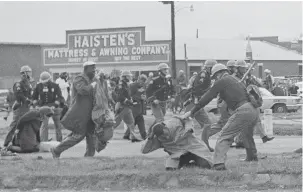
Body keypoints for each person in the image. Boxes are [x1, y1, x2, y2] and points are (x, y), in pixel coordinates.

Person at [182, 63, 259, 170]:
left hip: (243, 110)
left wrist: (192, 112)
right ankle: (252, 156)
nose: (215, 79)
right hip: (254, 110)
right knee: (247, 134)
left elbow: (206, 98)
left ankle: (218, 164)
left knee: (224, 136)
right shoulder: (235, 80)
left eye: (215, 76)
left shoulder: (221, 81)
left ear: (220, 73)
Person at [50, 61, 98, 158]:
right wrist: (92, 85)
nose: (94, 71)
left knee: (91, 134)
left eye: (94, 70)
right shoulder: (79, 78)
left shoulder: (92, 79)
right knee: (79, 135)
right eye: (92, 69)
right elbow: (82, 90)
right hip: (80, 113)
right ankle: (56, 150)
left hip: (90, 113)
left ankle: (89, 156)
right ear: (86, 69)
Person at [141, 116, 212, 170]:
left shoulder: (174, 122)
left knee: (206, 165)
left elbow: (187, 118)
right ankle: (189, 165)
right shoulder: (158, 138)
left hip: (193, 148)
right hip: (178, 155)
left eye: (165, 134)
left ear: (165, 127)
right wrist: (150, 138)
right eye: (162, 136)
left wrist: (189, 128)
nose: (165, 137)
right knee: (170, 169)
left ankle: (194, 164)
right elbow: (144, 151)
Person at [3, 65, 33, 148]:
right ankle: (6, 143)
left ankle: (19, 142)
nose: (30, 74)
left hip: (26, 107)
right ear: (24, 73)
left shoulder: (28, 84)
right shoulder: (18, 84)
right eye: (29, 72)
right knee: (14, 125)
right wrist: (27, 100)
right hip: (20, 107)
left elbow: (30, 94)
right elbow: (19, 95)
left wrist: (32, 100)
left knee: (24, 126)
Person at [32, 71, 64, 142]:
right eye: (43, 82)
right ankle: (44, 142)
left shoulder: (55, 86)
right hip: (43, 108)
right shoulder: (38, 86)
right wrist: (36, 106)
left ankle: (60, 142)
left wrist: (54, 105)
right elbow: (34, 98)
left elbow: (60, 97)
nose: (44, 83)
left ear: (49, 80)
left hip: (54, 108)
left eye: (46, 82)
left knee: (58, 125)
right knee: (44, 125)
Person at [184, 60, 215, 130]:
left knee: (207, 124)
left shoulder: (207, 75)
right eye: (213, 68)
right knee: (186, 121)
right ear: (208, 68)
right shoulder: (203, 75)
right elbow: (198, 89)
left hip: (198, 103)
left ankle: (203, 140)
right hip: (194, 101)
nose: (214, 70)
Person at [113, 70, 141, 142]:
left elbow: (127, 94)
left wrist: (130, 99)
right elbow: (120, 96)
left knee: (131, 122)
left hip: (127, 107)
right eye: (129, 76)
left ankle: (133, 137)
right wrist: (127, 100)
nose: (130, 77)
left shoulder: (126, 84)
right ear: (125, 77)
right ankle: (103, 136)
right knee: (115, 123)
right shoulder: (121, 84)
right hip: (122, 106)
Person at [123, 74, 148, 140]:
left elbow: (143, 94)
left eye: (144, 81)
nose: (142, 82)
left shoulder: (142, 86)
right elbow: (130, 96)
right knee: (135, 120)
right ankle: (143, 135)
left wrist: (144, 97)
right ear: (138, 79)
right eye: (142, 80)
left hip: (140, 106)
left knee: (137, 120)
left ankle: (142, 135)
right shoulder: (133, 85)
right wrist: (139, 97)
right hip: (134, 106)